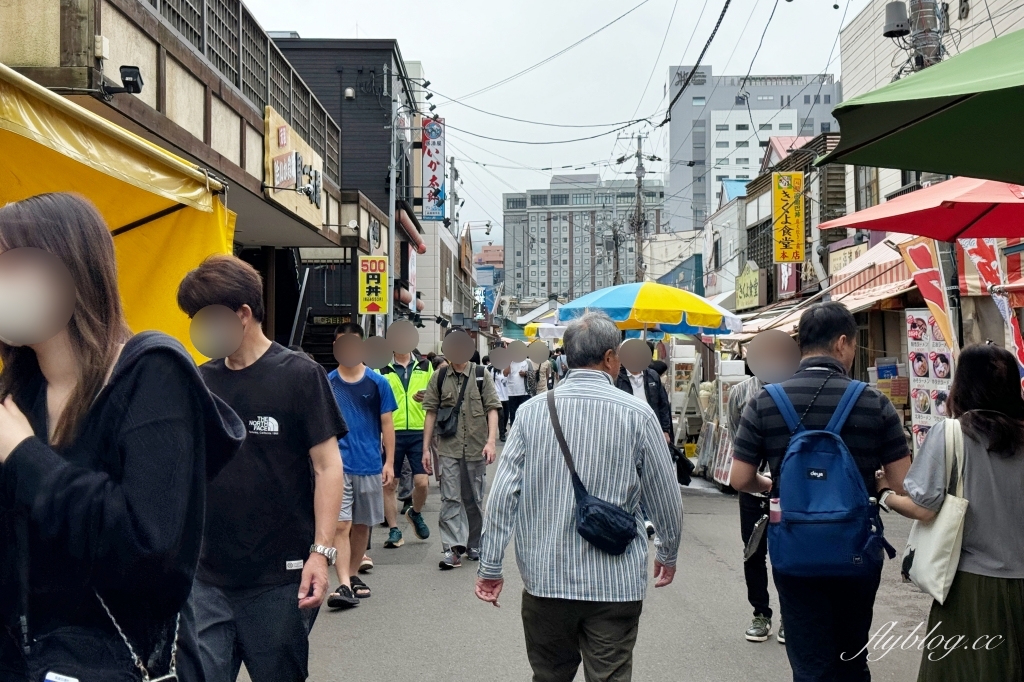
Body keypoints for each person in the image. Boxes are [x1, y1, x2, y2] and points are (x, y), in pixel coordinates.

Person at [0, 193, 244, 681]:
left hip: (116, 664)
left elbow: (153, 555)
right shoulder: (18, 394)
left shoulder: (151, 373)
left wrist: (26, 459)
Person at [476, 312, 683, 682]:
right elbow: (665, 494)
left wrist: (491, 566)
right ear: (608, 357)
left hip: (545, 580)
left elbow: (504, 495)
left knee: (550, 676)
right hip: (615, 583)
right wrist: (667, 552)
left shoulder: (530, 413)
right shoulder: (638, 414)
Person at [177, 255, 348, 682]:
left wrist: (321, 553)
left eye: (206, 317)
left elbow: (328, 468)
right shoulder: (200, 380)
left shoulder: (300, 375)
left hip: (279, 576)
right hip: (206, 576)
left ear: (243, 314)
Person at [730, 302, 911, 682]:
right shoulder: (873, 401)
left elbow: (740, 478)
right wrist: (876, 483)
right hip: (856, 552)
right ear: (843, 343)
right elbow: (902, 483)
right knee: (851, 659)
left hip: (794, 550)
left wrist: (772, 486)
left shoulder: (765, 401)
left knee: (809, 662)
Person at [876, 344, 1024, 682]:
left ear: (962, 384)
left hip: (972, 588)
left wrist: (884, 495)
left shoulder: (953, 433)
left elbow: (923, 508)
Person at [326, 322, 397, 606]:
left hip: (368, 462)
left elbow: (387, 423)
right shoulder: (327, 383)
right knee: (341, 525)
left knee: (362, 525)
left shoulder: (377, 383)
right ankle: (343, 583)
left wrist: (389, 462)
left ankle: (353, 574)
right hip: (337, 465)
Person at [422, 337, 501, 569]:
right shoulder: (439, 377)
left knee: (473, 498)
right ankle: (453, 548)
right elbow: (430, 413)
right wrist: (425, 449)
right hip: (448, 447)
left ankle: (474, 543)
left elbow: (493, 408)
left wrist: (491, 442)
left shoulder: (480, 374)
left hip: (476, 447)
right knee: (450, 498)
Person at [725, 368, 779, 644]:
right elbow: (737, 441)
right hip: (752, 486)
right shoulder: (739, 393)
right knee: (753, 552)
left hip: (787, 486)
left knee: (788, 552)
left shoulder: (795, 387)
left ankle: (792, 617)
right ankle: (761, 613)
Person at [378, 342, 433, 547]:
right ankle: (394, 530)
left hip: (419, 431)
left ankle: (415, 513)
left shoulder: (426, 366)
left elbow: (436, 395)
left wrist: (428, 396)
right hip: (392, 430)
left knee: (422, 482)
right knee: (390, 483)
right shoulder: (380, 367)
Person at [483, 355, 510, 442]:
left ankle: (503, 430)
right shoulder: (491, 369)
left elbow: (507, 374)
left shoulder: (506, 368)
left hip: (506, 395)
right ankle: (501, 434)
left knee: (505, 416)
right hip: (497, 396)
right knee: (500, 415)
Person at [504, 356, 533, 425]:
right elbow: (505, 374)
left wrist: (525, 374)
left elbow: (532, 374)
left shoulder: (527, 361)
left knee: (525, 414)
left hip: (525, 393)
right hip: (512, 393)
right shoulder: (508, 362)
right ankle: (514, 432)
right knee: (513, 414)